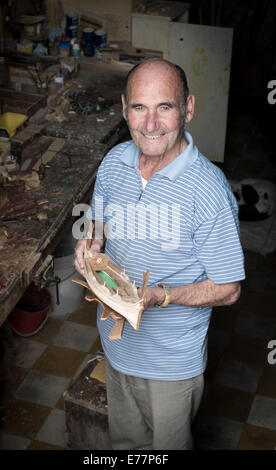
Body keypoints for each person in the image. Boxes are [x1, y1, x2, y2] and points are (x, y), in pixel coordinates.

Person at [74, 58, 245, 450]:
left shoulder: (208, 192)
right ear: (124, 109)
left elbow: (229, 288)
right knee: (124, 444)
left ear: (188, 108)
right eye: (139, 107)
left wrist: (160, 296)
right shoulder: (114, 162)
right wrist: (91, 243)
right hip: (116, 347)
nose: (150, 124)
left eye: (164, 107)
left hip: (170, 365)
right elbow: (97, 222)